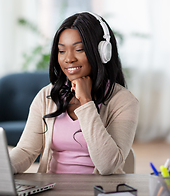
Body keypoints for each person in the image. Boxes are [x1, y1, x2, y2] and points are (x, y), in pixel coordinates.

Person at [9, 12, 139, 175]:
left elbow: (108, 166)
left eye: (79, 49)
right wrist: (1, 167)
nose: (68, 59)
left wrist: (86, 102)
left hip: (99, 195)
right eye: (61, 51)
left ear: (102, 52)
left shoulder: (124, 101)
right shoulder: (46, 96)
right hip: (52, 192)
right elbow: (26, 151)